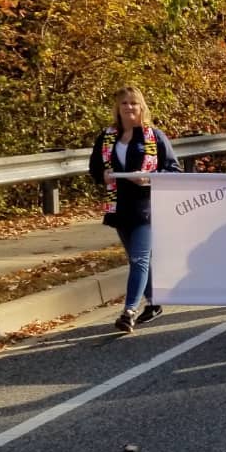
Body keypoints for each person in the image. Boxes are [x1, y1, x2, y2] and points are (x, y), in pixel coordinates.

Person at [89, 85, 181, 333]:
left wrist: (149, 177)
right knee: (137, 258)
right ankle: (155, 302)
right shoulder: (107, 137)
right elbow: (95, 169)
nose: (129, 107)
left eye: (134, 103)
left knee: (140, 258)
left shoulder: (155, 136)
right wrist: (104, 175)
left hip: (147, 206)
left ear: (142, 107)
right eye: (124, 103)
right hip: (119, 207)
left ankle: (128, 311)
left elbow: (173, 170)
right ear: (117, 108)